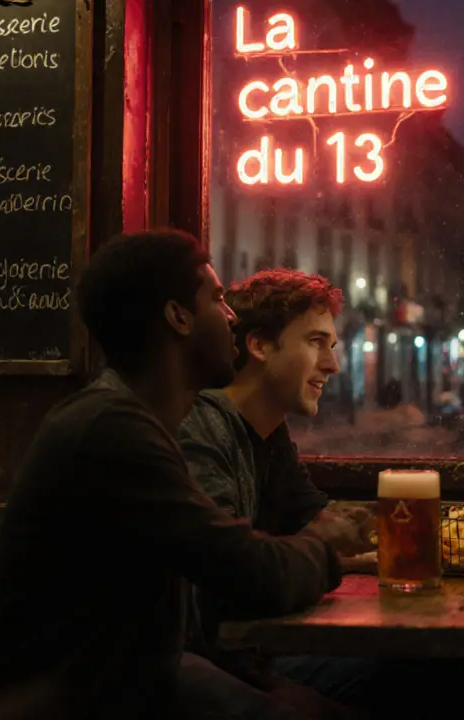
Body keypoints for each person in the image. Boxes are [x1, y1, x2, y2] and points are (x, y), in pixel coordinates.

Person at [0, 229, 373, 720]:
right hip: (82, 695)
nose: (232, 318)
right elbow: (239, 570)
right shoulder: (115, 429)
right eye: (217, 300)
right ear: (178, 317)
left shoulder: (137, 421)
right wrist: (326, 546)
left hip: (131, 675)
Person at [177, 269, 376, 703]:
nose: (334, 364)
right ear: (260, 345)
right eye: (316, 343)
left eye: (333, 346)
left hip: (243, 654)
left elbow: (319, 520)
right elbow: (220, 584)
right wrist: (324, 546)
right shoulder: (203, 426)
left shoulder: (269, 432)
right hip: (206, 667)